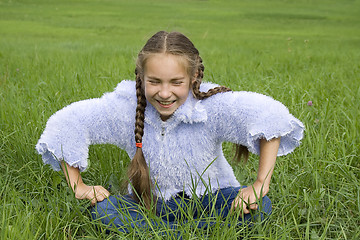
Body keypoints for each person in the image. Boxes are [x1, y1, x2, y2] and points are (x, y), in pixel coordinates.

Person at [36, 31, 304, 234]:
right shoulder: (124, 107)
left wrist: (260, 185)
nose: (165, 93)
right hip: (147, 204)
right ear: (141, 77)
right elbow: (66, 122)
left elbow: (272, 116)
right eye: (154, 82)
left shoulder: (211, 106)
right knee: (104, 211)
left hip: (211, 200)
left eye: (176, 82)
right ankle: (198, 234)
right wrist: (78, 187)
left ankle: (160, 235)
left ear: (194, 76)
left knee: (260, 208)